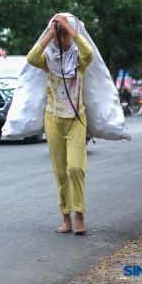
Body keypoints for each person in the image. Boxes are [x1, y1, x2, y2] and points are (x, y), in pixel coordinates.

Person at [27, 13, 94, 235]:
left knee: (75, 168)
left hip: (76, 120)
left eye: (67, 35)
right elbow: (31, 58)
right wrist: (50, 31)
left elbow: (88, 52)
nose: (63, 39)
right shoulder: (48, 60)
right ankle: (66, 218)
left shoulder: (79, 60)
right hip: (53, 120)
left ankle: (80, 216)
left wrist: (68, 26)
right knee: (60, 172)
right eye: (60, 35)